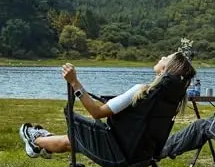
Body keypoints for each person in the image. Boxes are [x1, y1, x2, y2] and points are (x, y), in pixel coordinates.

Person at [19, 51, 196, 158]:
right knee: (74, 142)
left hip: (117, 154)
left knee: (74, 138)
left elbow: (96, 112)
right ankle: (42, 142)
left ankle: (36, 140)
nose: (162, 56)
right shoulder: (172, 100)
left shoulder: (141, 91)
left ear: (165, 70)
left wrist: (74, 82)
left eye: (166, 58)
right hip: (142, 155)